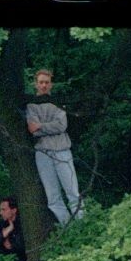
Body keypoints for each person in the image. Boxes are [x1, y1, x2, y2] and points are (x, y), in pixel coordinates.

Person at [25, 69, 83, 225]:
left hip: (62, 150)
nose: (44, 85)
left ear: (51, 84)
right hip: (43, 153)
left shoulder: (58, 101)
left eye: (46, 82)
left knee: (72, 192)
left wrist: (41, 126)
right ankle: (69, 228)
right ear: (36, 84)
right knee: (53, 198)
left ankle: (83, 226)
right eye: (41, 82)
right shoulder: (31, 105)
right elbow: (32, 130)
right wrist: (47, 127)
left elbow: (62, 125)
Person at [0, 196, 26, 261]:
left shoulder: (23, 223)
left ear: (14, 210)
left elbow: (22, 246)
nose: (0, 213)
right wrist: (5, 232)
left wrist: (11, 246)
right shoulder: (2, 224)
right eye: (0, 210)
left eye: (4, 210)